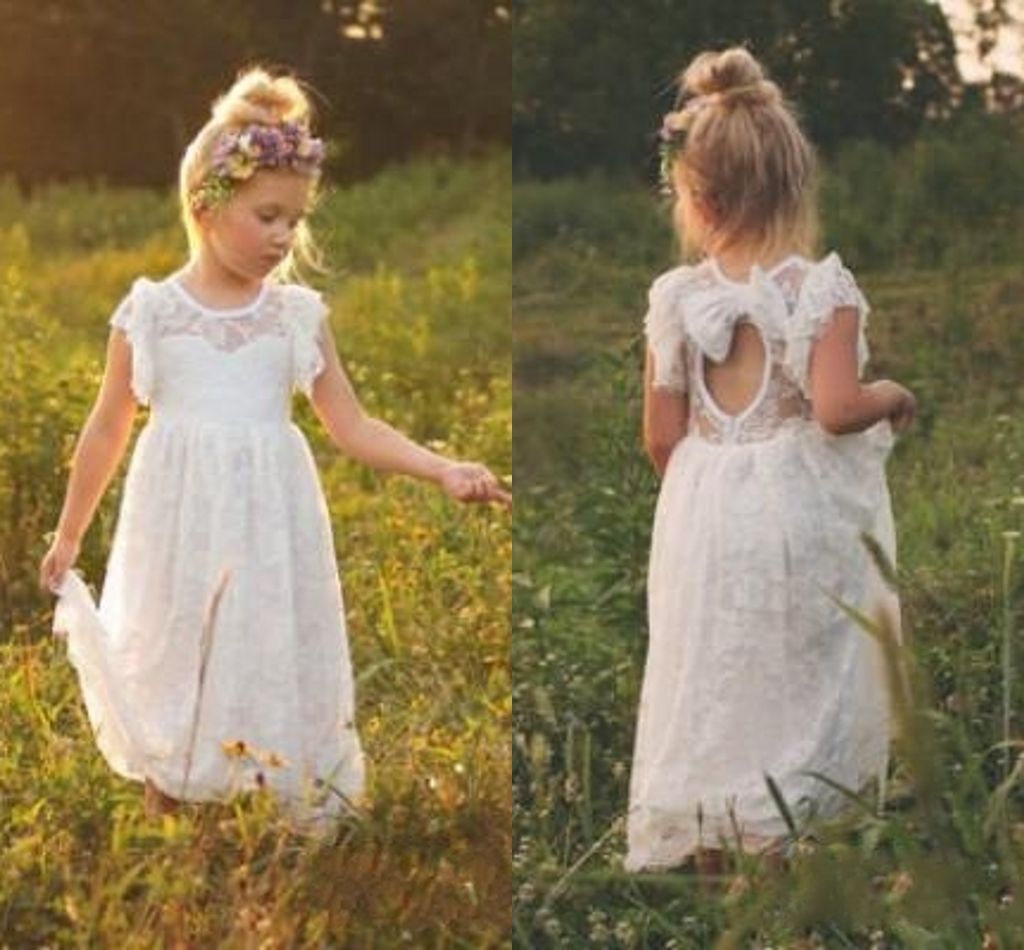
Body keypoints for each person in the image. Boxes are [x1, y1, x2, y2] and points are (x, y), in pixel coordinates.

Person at [37, 67, 510, 832]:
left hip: (267, 526)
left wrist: (441, 466)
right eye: (267, 216)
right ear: (206, 205)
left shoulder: (294, 316)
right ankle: (169, 829)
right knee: (172, 656)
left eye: (295, 219)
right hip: (176, 527)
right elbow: (106, 426)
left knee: (256, 651)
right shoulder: (152, 312)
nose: (286, 236)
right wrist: (69, 533)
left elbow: (351, 425)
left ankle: (256, 815)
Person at [625, 47, 916, 874]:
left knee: (714, 663)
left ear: (694, 193)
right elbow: (833, 410)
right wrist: (889, 392)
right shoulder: (819, 289)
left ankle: (713, 842)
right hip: (791, 506)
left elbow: (660, 433)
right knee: (796, 664)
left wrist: (701, 493)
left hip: (705, 502)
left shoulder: (676, 297)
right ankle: (782, 835)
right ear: (794, 182)